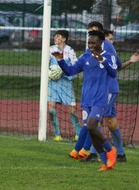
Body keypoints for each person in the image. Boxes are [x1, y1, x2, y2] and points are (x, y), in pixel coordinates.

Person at [53, 30, 118, 171]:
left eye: (94, 43)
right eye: (89, 43)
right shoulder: (86, 56)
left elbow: (114, 73)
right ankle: (106, 163)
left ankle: (110, 149)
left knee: (91, 126)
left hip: (100, 99)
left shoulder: (109, 56)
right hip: (86, 99)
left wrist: (103, 61)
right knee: (92, 130)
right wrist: (60, 60)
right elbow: (70, 71)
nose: (91, 45)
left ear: (102, 42)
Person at [48, 30, 81, 141]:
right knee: (51, 109)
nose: (55, 38)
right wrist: (50, 73)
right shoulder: (51, 49)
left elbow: (75, 66)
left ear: (64, 39)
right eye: (55, 36)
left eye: (58, 36)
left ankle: (78, 133)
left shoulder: (70, 51)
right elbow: (45, 65)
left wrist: (64, 72)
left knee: (72, 110)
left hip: (66, 83)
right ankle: (57, 135)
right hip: (53, 83)